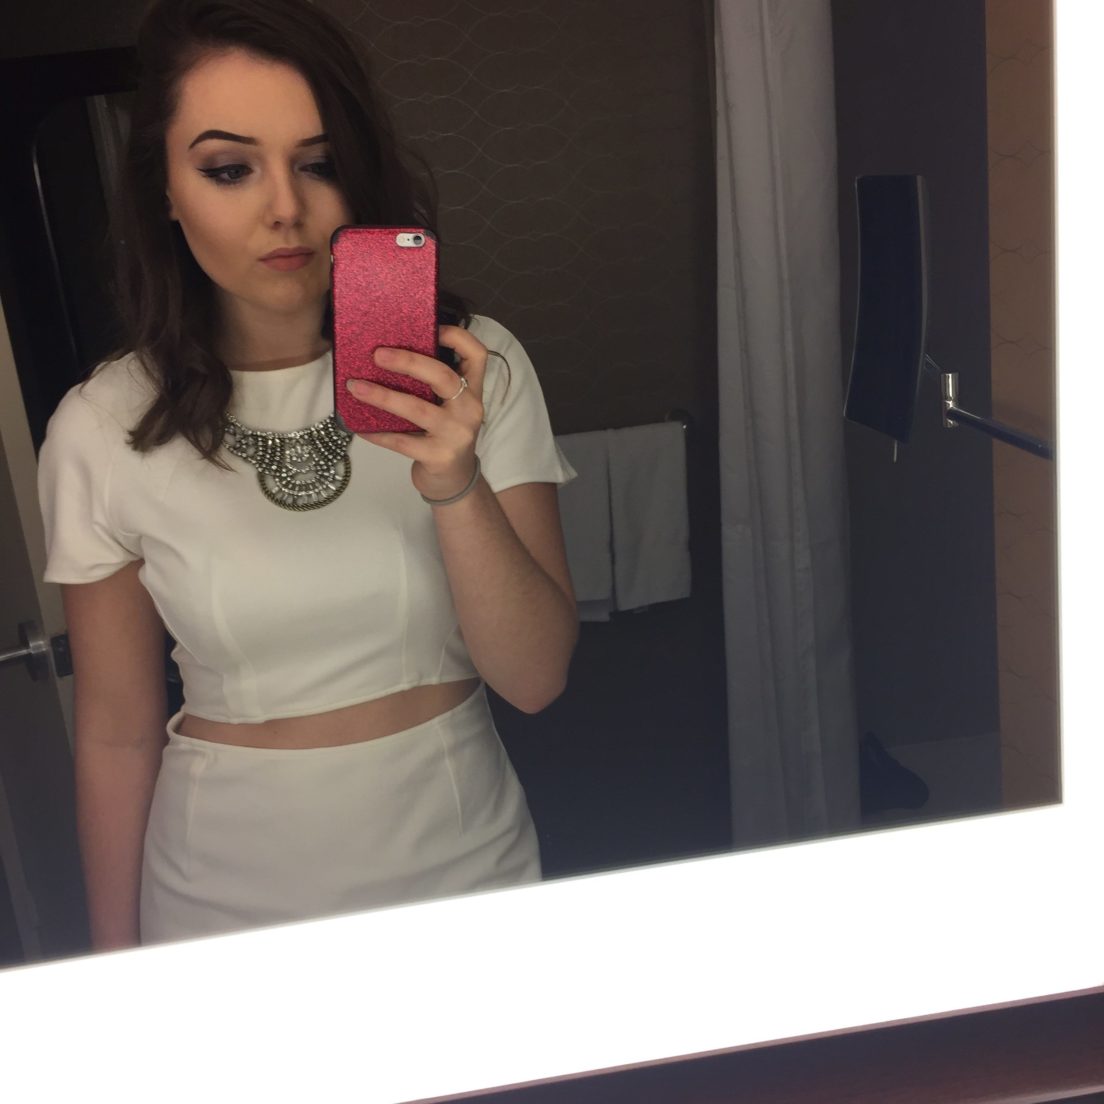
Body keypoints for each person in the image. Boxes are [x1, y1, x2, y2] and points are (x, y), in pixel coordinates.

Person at [36, 0, 578, 950]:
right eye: (229, 169)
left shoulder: (471, 370)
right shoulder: (102, 425)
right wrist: (115, 974)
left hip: (463, 872)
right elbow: (116, 733)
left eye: (319, 163)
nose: (284, 206)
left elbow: (535, 680)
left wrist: (454, 481)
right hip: (219, 899)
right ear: (166, 190)